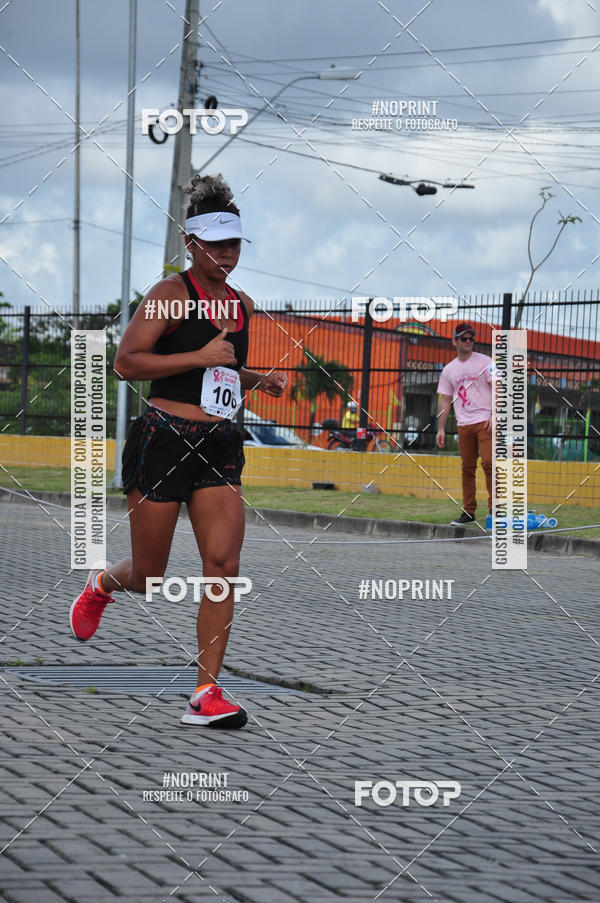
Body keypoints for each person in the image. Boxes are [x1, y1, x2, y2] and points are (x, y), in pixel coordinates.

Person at [69, 173, 288, 729]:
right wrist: (197, 359)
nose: (226, 256)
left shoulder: (243, 305)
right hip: (164, 439)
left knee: (224, 564)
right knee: (150, 574)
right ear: (191, 244)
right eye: (215, 246)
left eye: (234, 245)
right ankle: (101, 585)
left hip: (218, 443)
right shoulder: (170, 295)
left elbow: (222, 366)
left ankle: (206, 692)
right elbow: (127, 363)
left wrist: (258, 379)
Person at [436, 322, 493, 525]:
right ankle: (469, 512)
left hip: (485, 420)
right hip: (464, 424)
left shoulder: (485, 361)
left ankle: (496, 511)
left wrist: (494, 414)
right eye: (464, 338)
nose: (468, 342)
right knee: (467, 468)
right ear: (455, 341)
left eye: (471, 338)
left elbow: (500, 387)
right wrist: (441, 428)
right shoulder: (449, 370)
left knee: (489, 463)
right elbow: (445, 399)